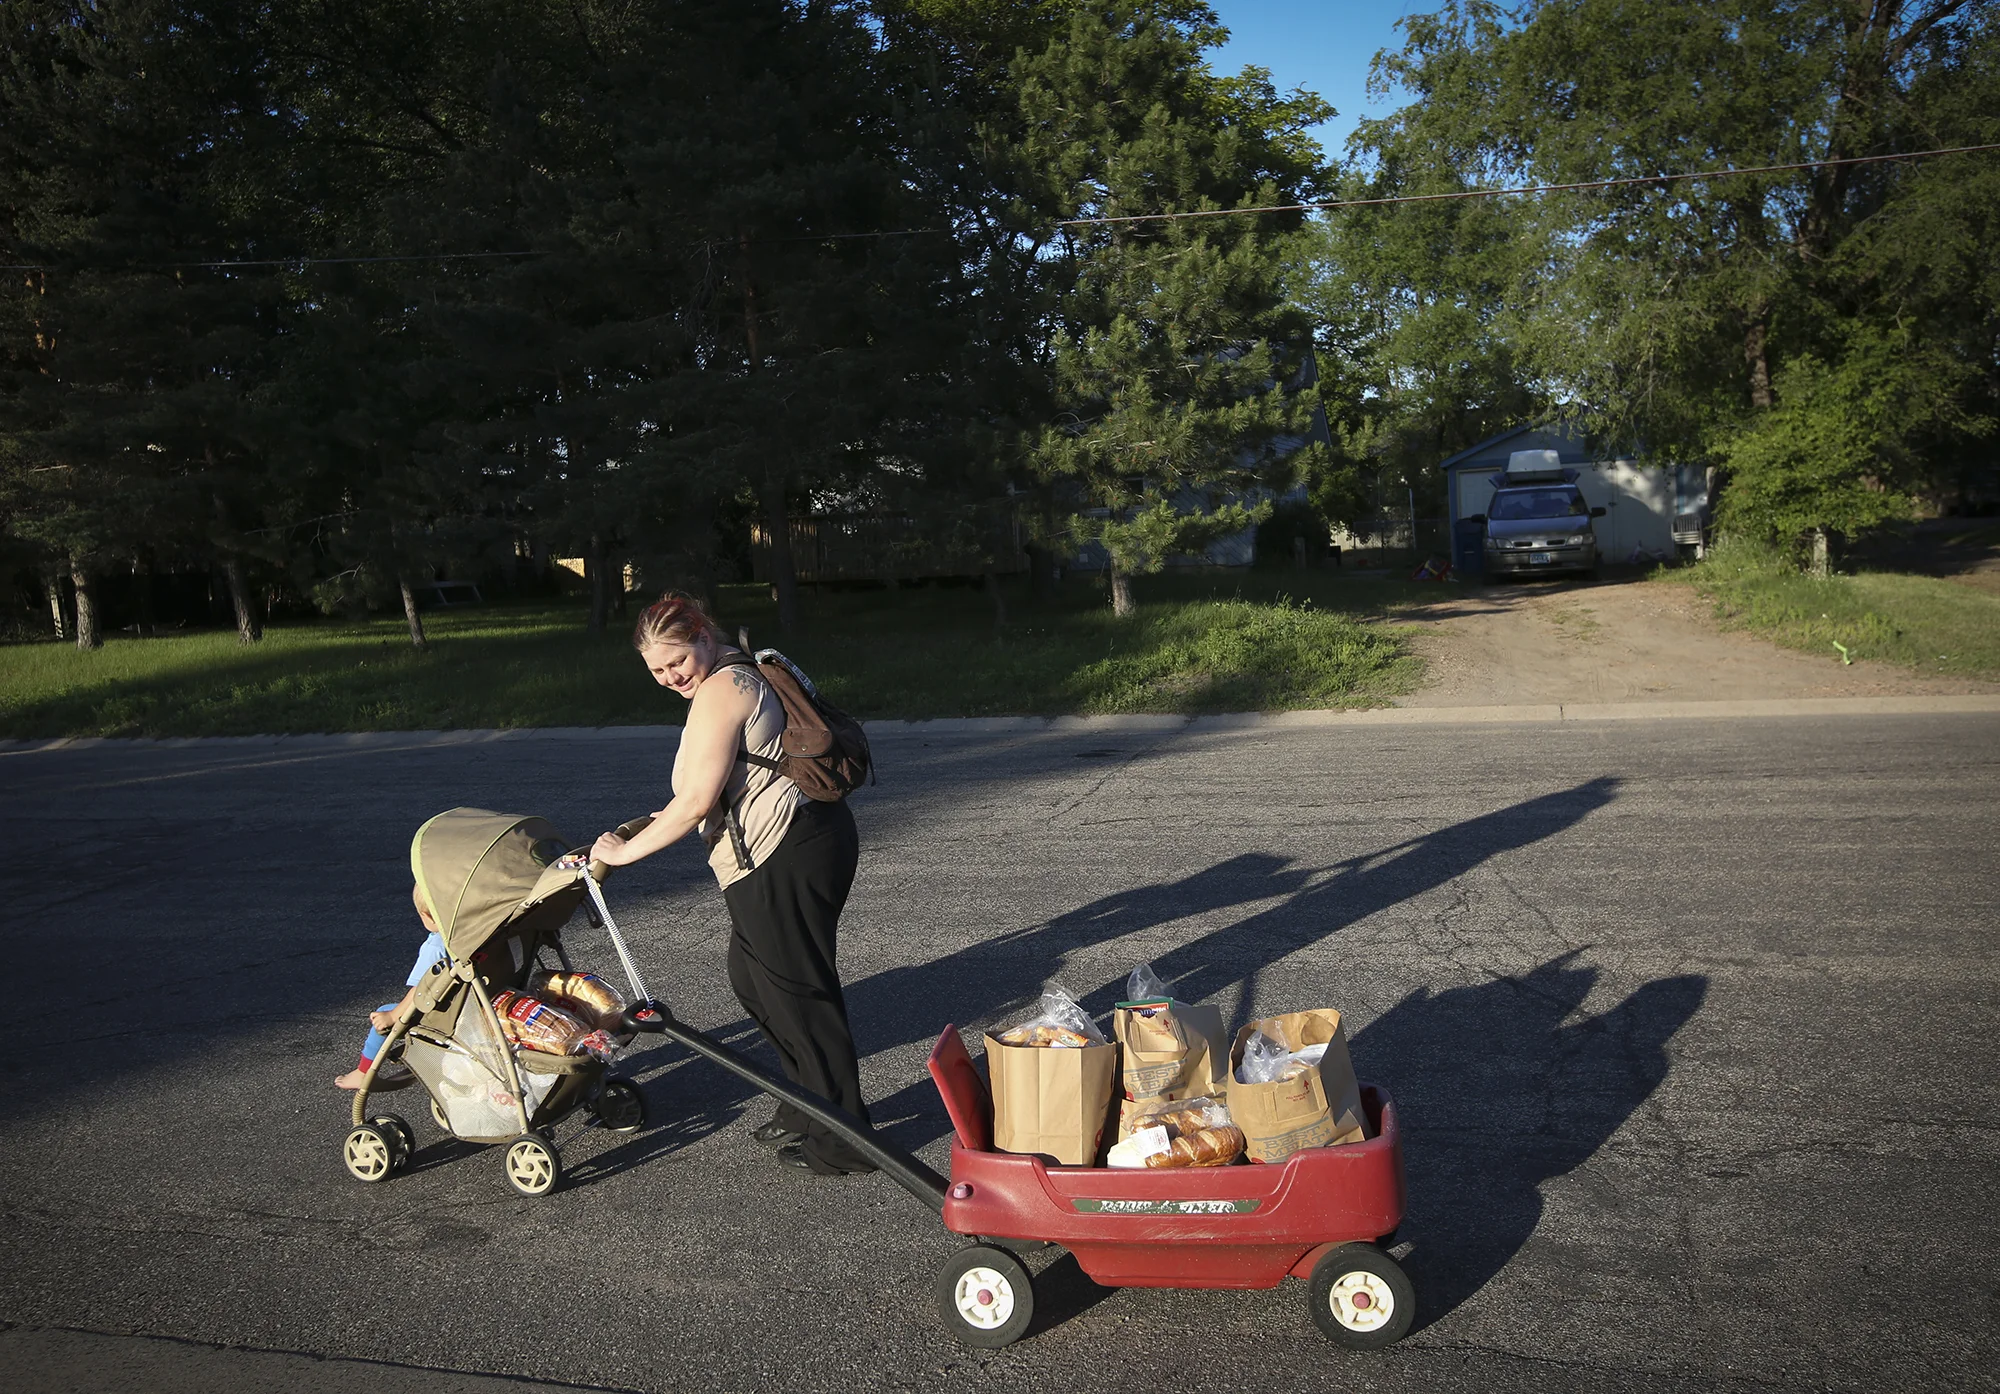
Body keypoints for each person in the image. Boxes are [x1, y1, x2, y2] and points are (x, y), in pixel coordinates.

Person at [590, 592, 874, 1177]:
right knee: (753, 980)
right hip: (798, 841)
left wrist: (623, 853)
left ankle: (847, 1138)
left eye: (677, 662)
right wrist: (645, 825)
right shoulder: (733, 672)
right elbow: (706, 787)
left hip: (784, 852)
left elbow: (695, 802)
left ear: (702, 635)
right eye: (657, 671)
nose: (670, 678)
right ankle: (805, 1106)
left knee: (799, 997)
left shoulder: (723, 687)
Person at [335, 884, 447, 1090]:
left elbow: (421, 991)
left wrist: (393, 1016)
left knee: (384, 1013)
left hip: (446, 1013)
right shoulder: (474, 936)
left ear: (426, 915)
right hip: (475, 1002)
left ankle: (363, 1072)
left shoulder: (436, 948)